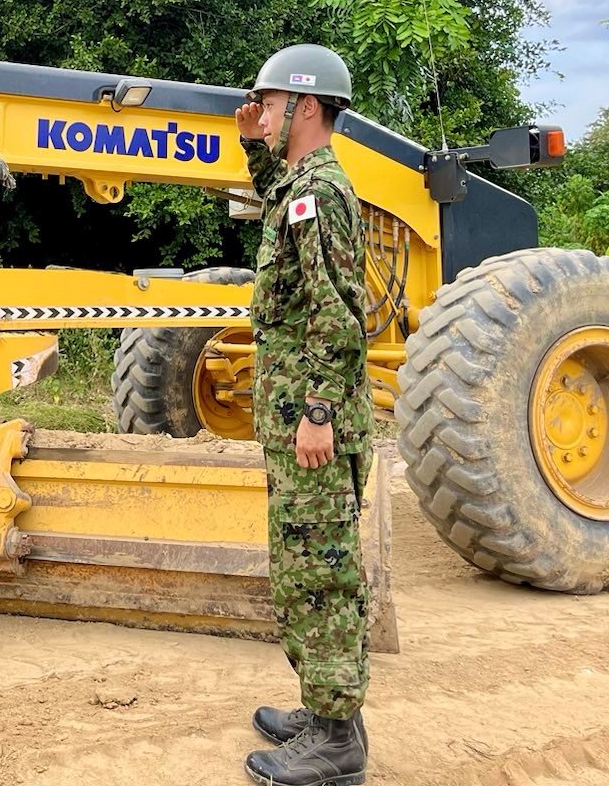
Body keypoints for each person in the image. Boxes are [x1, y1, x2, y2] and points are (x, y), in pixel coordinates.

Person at [234, 45, 372, 786]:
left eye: (270, 102)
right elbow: (277, 218)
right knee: (303, 572)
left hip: (310, 422)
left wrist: (317, 411)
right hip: (292, 418)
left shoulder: (324, 192)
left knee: (320, 578)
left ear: (306, 106)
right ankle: (327, 712)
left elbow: (337, 315)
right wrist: (253, 146)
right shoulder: (296, 182)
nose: (261, 113)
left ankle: (335, 741)